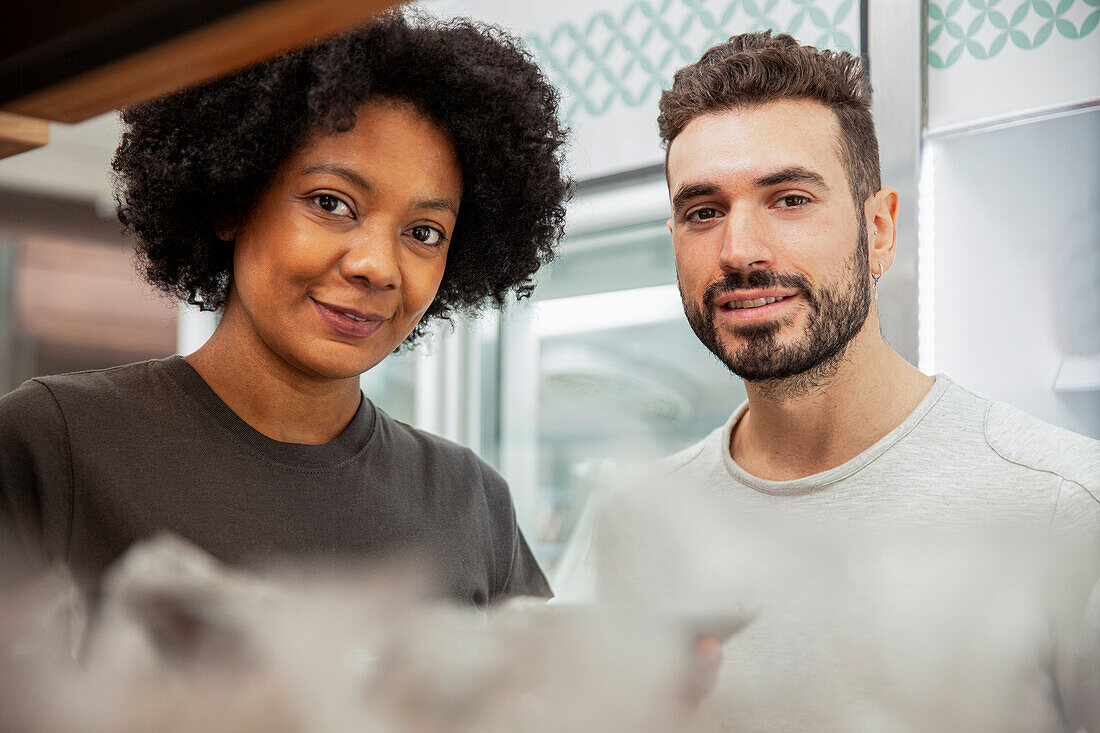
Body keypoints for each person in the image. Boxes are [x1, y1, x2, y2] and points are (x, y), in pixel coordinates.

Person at [558, 31, 1100, 731]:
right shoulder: (634, 523)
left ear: (879, 230)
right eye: (703, 211)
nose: (740, 251)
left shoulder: (1068, 503)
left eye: (788, 199)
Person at [0, 13, 571, 608]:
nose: (377, 265)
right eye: (333, 203)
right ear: (232, 201)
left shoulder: (471, 500)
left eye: (425, 232)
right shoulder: (51, 445)